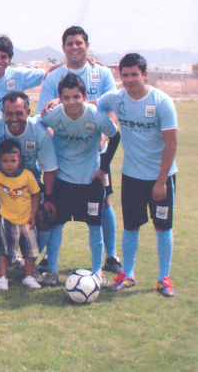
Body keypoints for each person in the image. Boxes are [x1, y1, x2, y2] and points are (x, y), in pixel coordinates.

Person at [37, 26, 122, 274]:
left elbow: (112, 106)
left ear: (87, 45)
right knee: (56, 213)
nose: (74, 47)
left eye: (79, 43)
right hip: (63, 164)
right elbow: (44, 117)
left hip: (96, 155)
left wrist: (104, 134)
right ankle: (47, 261)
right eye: (69, 44)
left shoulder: (101, 72)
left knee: (104, 204)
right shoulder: (53, 77)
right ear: (63, 48)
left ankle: (111, 256)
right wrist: (60, 142)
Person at [98, 53, 177, 297]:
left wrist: (161, 181)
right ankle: (128, 275)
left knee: (162, 227)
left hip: (160, 178)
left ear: (144, 74)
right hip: (131, 177)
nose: (130, 79)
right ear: (119, 75)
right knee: (131, 226)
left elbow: (171, 144)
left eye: (135, 74)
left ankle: (163, 279)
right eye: (125, 75)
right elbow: (95, 104)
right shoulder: (117, 98)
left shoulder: (161, 101)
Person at [0, 91, 58, 281]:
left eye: (19, 113)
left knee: (43, 218)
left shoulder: (38, 132)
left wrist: (49, 199)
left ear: (28, 112)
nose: (13, 119)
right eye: (9, 114)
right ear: (2, 113)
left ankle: (29, 266)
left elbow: (50, 169)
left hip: (29, 186)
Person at [0, 139, 42, 290]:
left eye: (13, 161)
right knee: (5, 251)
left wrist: (33, 214)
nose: (9, 164)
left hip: (26, 220)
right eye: (5, 161)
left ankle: (28, 276)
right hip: (6, 220)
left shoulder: (27, 175)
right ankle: (2, 278)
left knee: (29, 250)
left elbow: (36, 194)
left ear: (20, 160)